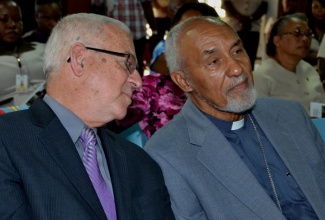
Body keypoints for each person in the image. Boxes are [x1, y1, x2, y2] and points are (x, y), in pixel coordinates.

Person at [145, 16, 325, 219]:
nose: (237, 68)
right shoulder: (168, 153)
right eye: (214, 61)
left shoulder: (290, 114)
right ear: (184, 81)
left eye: (237, 51)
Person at [0, 13, 175, 219]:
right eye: (128, 64)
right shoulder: (7, 141)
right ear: (80, 60)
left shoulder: (140, 163)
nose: (137, 81)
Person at [254, 13, 325, 115]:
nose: (305, 39)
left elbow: (322, 107)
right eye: (297, 33)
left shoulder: (310, 70)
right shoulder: (261, 77)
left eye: (308, 34)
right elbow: (260, 119)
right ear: (277, 41)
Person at [0, 0, 45, 97]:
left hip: (47, 107)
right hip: (9, 111)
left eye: (17, 19)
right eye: (4, 20)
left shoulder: (42, 49)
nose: (12, 25)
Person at [107, 0, 158, 76]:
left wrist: (154, 30)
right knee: (117, 65)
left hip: (137, 35)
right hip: (114, 35)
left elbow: (147, 5)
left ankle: (138, 87)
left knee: (137, 65)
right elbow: (97, 8)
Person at [222, 0, 268, 70]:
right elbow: (226, 4)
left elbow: (264, 6)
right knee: (231, 55)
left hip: (254, 29)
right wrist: (241, 18)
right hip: (234, 27)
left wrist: (250, 18)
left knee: (250, 58)